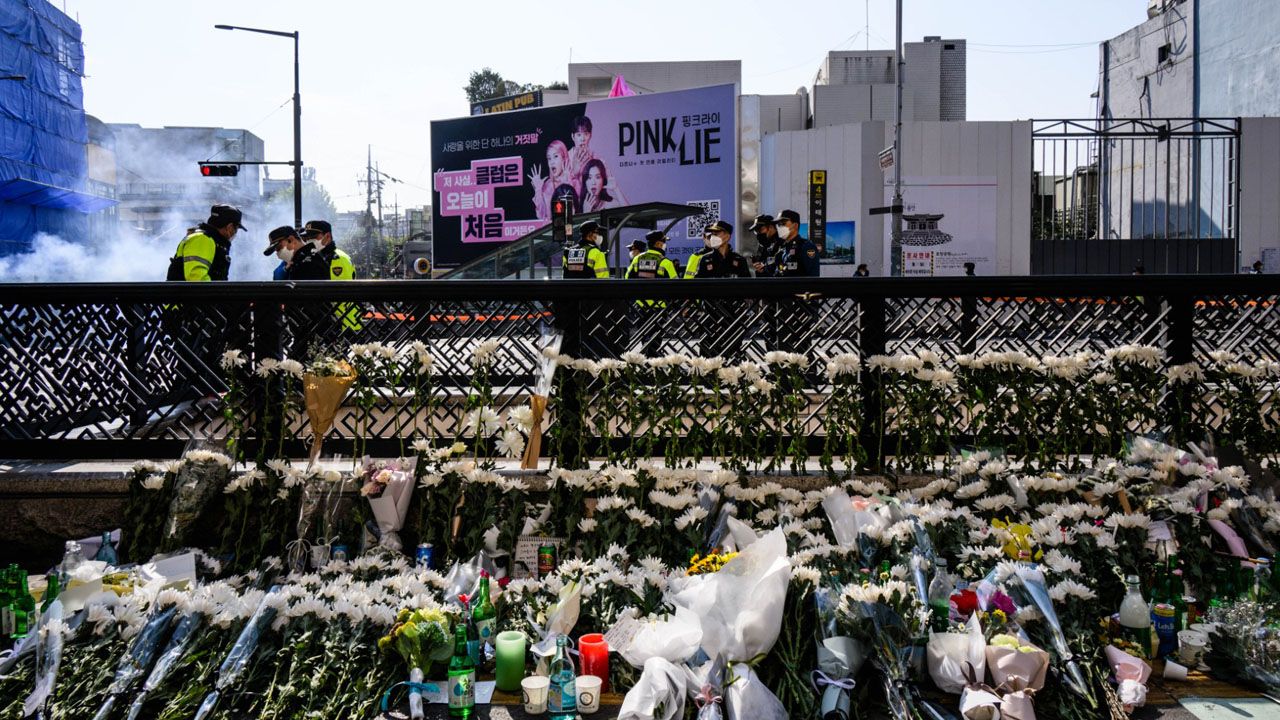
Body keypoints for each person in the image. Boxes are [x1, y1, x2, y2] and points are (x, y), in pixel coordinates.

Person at [166, 204, 244, 281]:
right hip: (190, 294)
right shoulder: (202, 239)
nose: (235, 232)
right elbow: (196, 277)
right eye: (236, 228)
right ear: (230, 227)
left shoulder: (212, 241)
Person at [288, 220, 357, 281]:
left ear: (328, 236)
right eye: (307, 238)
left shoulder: (338, 258)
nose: (309, 241)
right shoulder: (310, 257)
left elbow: (339, 290)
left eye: (314, 237)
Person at [769, 209, 820, 277]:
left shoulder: (806, 246)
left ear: (795, 225)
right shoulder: (782, 248)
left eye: (783, 224)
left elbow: (813, 276)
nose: (780, 227)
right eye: (778, 225)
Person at [530, 140, 573, 220]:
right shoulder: (547, 186)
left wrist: (566, 184)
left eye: (555, 156)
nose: (552, 162)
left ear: (564, 158)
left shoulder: (574, 182)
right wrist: (538, 191)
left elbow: (574, 213)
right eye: (549, 158)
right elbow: (541, 216)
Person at [568, 115, 599, 182]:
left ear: (590, 136)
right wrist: (574, 173)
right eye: (579, 135)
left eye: (586, 134)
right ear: (573, 137)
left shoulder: (596, 158)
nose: (582, 139)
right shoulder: (565, 158)